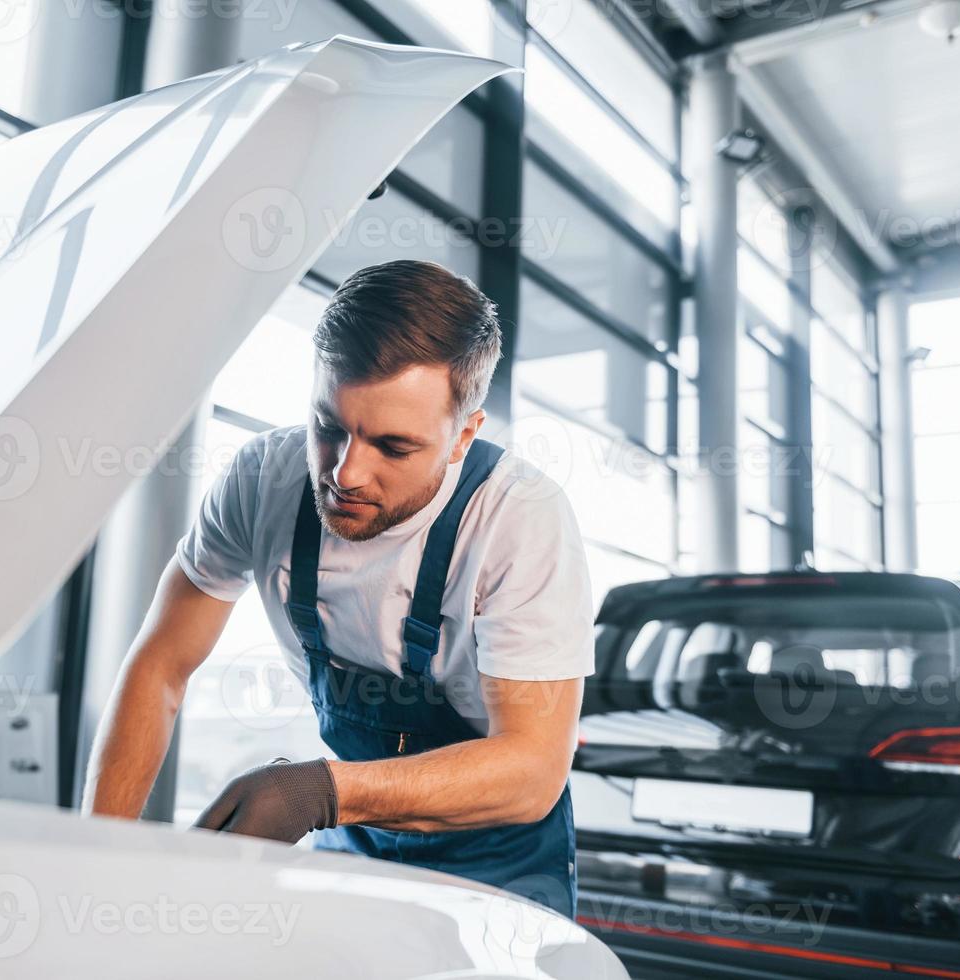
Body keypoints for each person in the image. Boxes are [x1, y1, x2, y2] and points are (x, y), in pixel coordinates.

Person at [83, 259, 595, 916]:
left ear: (464, 434)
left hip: (500, 856)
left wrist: (315, 793)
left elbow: (531, 771)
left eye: (393, 446)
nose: (346, 473)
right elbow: (161, 666)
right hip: (356, 836)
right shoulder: (262, 482)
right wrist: (96, 860)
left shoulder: (520, 519)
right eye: (329, 427)